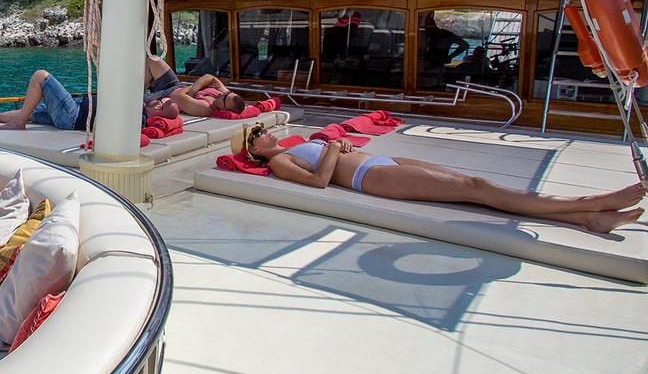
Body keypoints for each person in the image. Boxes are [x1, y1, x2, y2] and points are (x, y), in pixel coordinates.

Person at [233, 123, 645, 234]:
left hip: (379, 160)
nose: (264, 130)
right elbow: (320, 183)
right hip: (369, 179)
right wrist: (330, 150)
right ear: (253, 149)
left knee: (471, 183)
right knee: (475, 191)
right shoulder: (278, 163)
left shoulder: (294, 143)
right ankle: (589, 203)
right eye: (256, 134)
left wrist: (334, 147)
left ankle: (586, 218)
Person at [0, 52, 186, 131]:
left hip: (72, 115)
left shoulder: (136, 116)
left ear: (159, 108)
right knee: (31, 110)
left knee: (40, 76)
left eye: (163, 103)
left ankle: (19, 122)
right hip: (77, 110)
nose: (160, 100)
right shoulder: (139, 112)